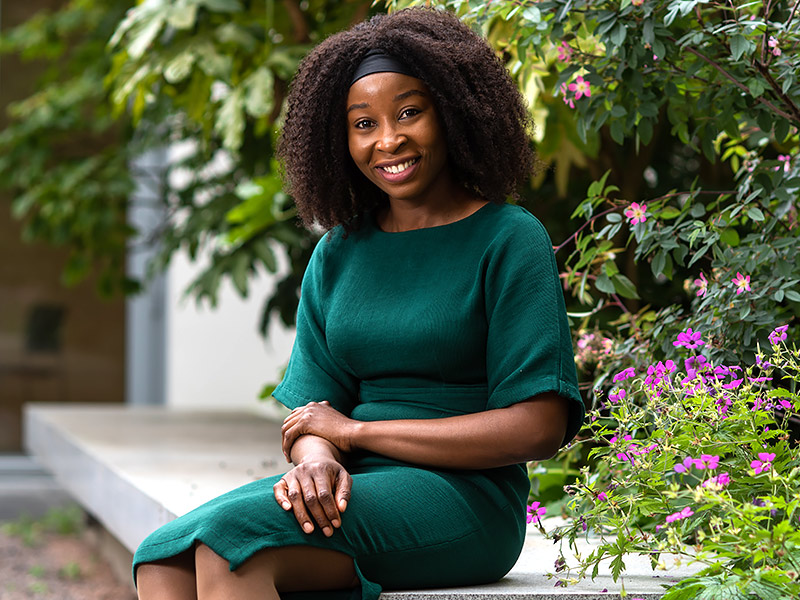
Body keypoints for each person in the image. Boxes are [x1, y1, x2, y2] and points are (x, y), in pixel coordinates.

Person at [133, 8, 584, 600]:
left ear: (451, 114)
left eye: (409, 113)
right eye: (363, 123)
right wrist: (318, 458)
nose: (388, 139)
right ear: (341, 139)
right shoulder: (339, 252)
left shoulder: (508, 238)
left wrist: (355, 432)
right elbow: (311, 415)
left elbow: (538, 426)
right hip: (355, 486)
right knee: (163, 555)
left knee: (231, 542)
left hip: (465, 497)